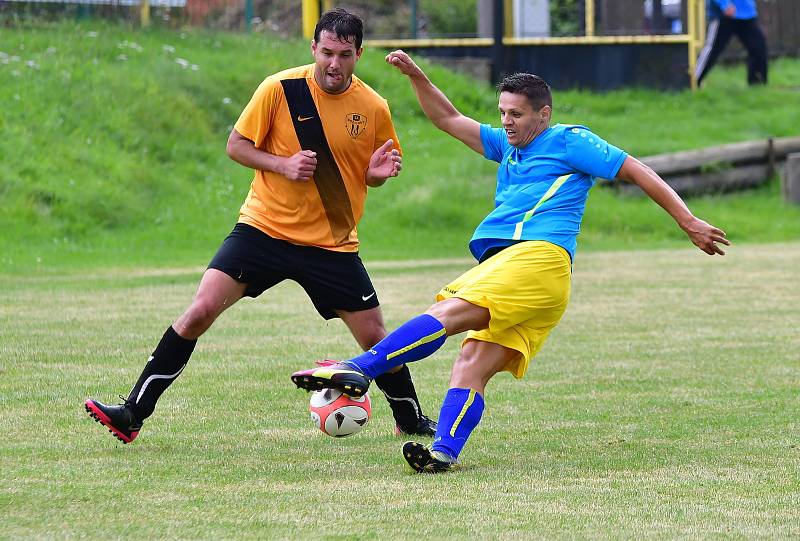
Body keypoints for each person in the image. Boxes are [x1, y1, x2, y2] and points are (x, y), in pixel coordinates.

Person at [291, 50, 730, 473]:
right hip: (531, 279)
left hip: (536, 257)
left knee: (448, 313)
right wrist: (417, 77)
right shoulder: (508, 147)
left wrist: (688, 221)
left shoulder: (567, 139)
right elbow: (448, 119)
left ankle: (359, 369)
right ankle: (443, 452)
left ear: (543, 114)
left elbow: (635, 169)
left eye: (516, 114)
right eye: (502, 112)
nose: (506, 122)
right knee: (473, 362)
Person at [84, 10, 437, 444]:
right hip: (263, 229)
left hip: (332, 243)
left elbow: (367, 173)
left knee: (375, 337)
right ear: (313, 49)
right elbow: (236, 145)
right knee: (199, 311)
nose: (333, 64)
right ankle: (132, 414)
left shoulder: (373, 107)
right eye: (326, 52)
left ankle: (412, 419)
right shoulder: (280, 88)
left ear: (358, 55)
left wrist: (378, 174)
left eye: (344, 55)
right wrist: (282, 164)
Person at [695, 0, 768, 86]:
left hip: (746, 12)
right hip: (723, 13)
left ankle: (757, 84)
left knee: (758, 48)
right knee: (711, 50)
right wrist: (724, 4)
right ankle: (693, 80)